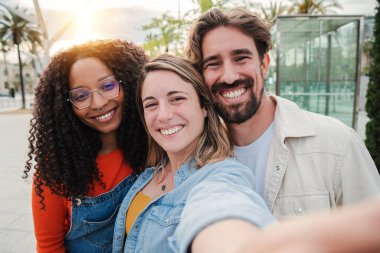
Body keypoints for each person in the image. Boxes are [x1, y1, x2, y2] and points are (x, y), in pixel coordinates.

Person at [112, 54, 380, 253]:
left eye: (177, 99)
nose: (164, 115)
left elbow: (223, 219)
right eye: (151, 104)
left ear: (204, 107)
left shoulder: (220, 176)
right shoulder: (146, 174)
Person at [186, 8, 380, 219]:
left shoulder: (337, 144)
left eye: (241, 58)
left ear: (264, 65)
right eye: (213, 64)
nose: (230, 76)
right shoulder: (196, 160)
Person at [22, 39, 148, 253]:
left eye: (108, 86)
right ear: (66, 106)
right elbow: (49, 247)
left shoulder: (150, 145)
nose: (98, 103)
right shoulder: (56, 170)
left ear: (127, 82)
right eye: (81, 95)